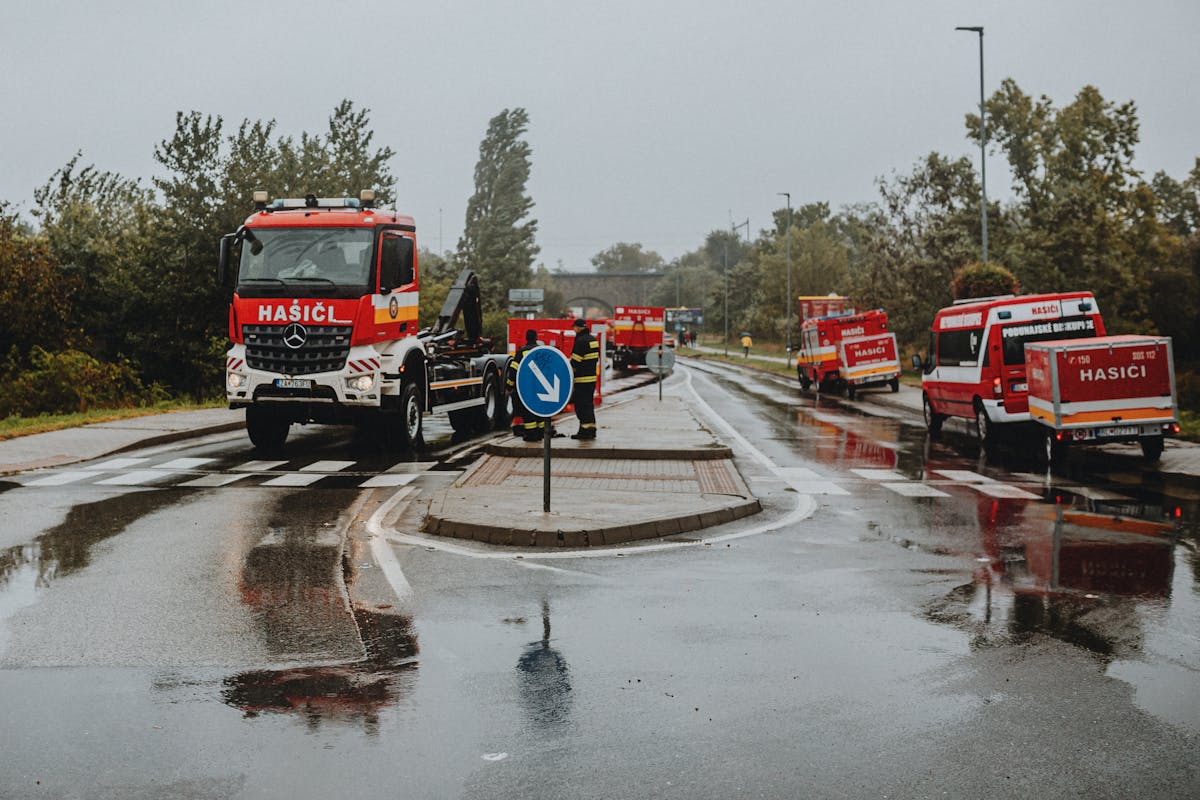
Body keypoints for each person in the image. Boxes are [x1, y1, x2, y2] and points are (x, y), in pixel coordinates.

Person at [508, 329, 546, 441]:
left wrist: (509, 386)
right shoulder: (541, 351)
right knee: (539, 410)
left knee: (528, 410)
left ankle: (531, 435)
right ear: (536, 338)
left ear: (526, 338)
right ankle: (541, 433)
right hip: (540, 386)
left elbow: (513, 370)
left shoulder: (521, 351)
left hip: (527, 386)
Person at [569, 318, 599, 440]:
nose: (574, 329)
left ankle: (584, 431)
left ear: (578, 328)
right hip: (591, 379)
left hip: (581, 380)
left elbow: (575, 363)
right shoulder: (593, 340)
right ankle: (591, 429)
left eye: (574, 327)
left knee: (581, 406)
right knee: (588, 405)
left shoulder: (580, 341)